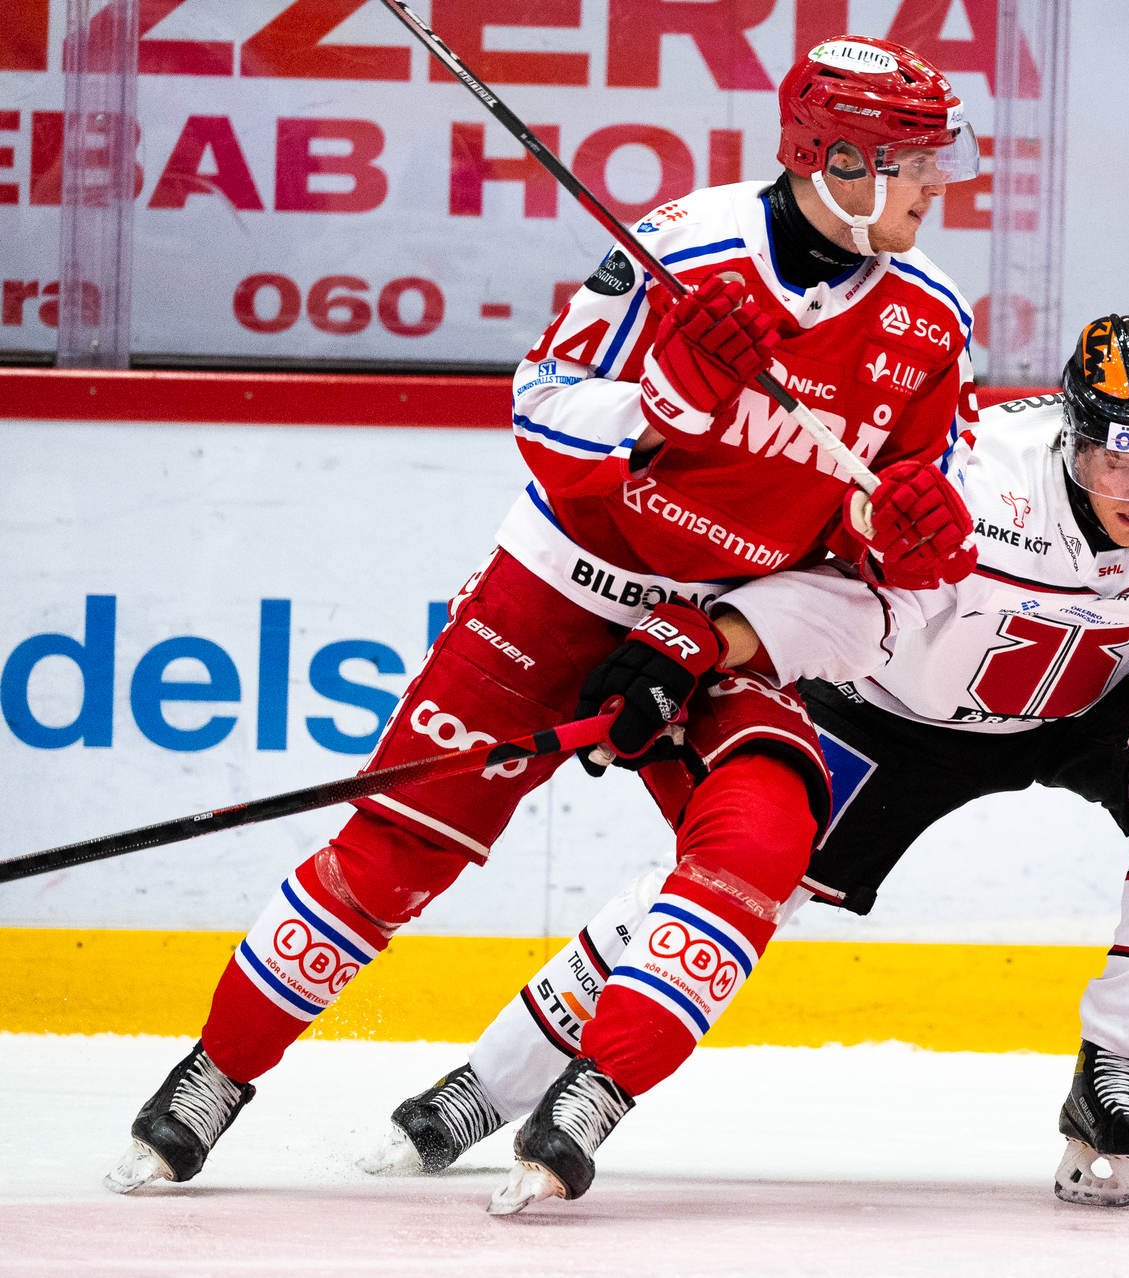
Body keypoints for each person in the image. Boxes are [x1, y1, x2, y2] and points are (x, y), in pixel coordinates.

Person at [366, 313, 1129, 1212]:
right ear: (1070, 438)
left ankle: (1120, 1070)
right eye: (1115, 454)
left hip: (1101, 683)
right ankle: (492, 1082)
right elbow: (836, 602)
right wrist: (703, 646)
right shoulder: (973, 486)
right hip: (892, 700)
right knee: (726, 894)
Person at [105, 34, 983, 1197]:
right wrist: (665, 399)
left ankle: (585, 1095)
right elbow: (540, 409)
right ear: (843, 160)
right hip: (562, 589)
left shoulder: (931, 320)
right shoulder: (683, 251)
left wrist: (907, 542)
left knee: (764, 847)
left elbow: (891, 581)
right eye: (916, 162)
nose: (939, 185)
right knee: (400, 844)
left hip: (723, 632)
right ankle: (214, 1073)